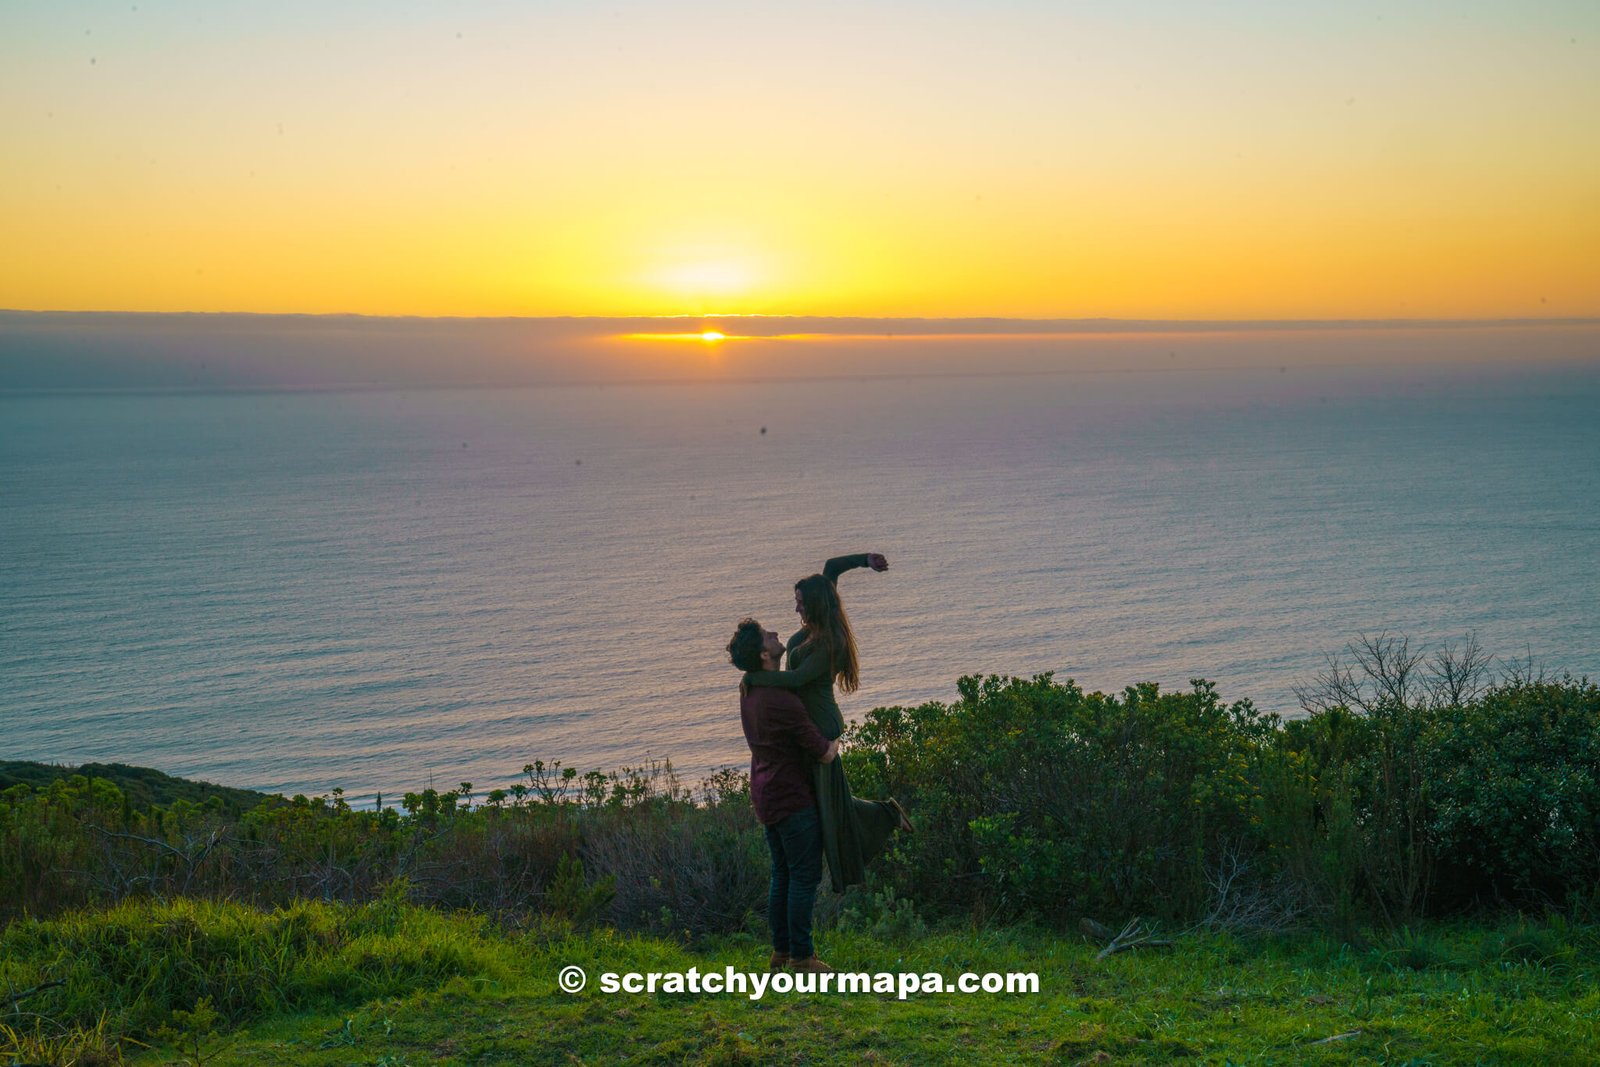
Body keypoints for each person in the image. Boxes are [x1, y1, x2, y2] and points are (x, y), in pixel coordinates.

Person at [740, 553, 912, 893]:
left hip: (821, 726)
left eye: (801, 603)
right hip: (808, 724)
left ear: (815, 604)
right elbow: (831, 567)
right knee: (831, 800)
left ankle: (883, 820)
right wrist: (865, 560)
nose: (797, 609)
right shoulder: (814, 625)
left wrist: (754, 677)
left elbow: (796, 679)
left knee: (831, 804)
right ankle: (885, 815)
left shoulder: (829, 641)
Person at [729, 618, 840, 974]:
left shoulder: (749, 689)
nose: (776, 635)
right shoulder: (781, 700)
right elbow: (821, 751)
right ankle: (802, 957)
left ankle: (780, 951)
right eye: (768, 636)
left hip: (765, 794)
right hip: (791, 797)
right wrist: (836, 741)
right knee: (804, 877)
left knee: (782, 874)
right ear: (765, 654)